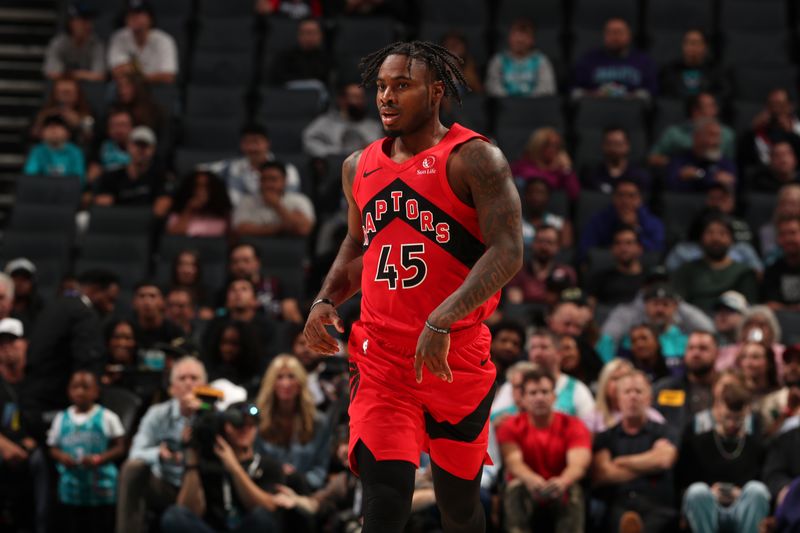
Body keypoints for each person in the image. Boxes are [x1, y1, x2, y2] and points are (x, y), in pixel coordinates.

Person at [303, 41, 523, 532]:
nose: (386, 97)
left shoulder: (475, 158)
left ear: (436, 92)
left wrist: (443, 318)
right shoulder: (357, 166)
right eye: (381, 86)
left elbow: (508, 251)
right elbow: (356, 247)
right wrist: (324, 300)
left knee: (458, 508)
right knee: (384, 500)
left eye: (402, 86)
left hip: (454, 356)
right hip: (381, 357)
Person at [115, 356, 207, 533]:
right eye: (182, 378)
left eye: (194, 378)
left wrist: (202, 415)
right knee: (133, 468)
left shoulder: (213, 414)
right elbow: (135, 452)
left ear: (205, 385)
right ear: (172, 388)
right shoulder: (158, 413)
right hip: (165, 482)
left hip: (201, 482)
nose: (189, 383)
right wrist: (159, 453)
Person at [160, 402, 281, 533]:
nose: (245, 428)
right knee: (174, 515)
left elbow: (269, 509)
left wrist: (234, 468)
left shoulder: (269, 465)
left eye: (251, 424)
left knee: (262, 517)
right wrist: (191, 462)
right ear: (225, 427)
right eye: (238, 424)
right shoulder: (207, 463)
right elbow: (188, 510)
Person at [497, 366, 591, 533]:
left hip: (560, 486)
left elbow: (578, 465)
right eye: (533, 393)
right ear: (523, 399)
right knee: (515, 487)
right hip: (527, 486)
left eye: (545, 392)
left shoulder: (574, 425)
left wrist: (563, 481)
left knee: (573, 490)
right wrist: (531, 479)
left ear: (554, 396)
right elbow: (513, 463)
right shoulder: (510, 426)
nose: (540, 397)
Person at [677, 381, 770, 533]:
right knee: (697, 491)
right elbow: (683, 483)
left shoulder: (756, 446)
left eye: (738, 419)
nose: (733, 424)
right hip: (708, 508)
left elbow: (763, 483)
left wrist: (740, 494)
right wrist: (710, 492)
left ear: (746, 412)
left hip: (742, 510)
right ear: (718, 409)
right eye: (728, 417)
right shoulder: (697, 443)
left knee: (756, 490)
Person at [592, 371, 678, 533]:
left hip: (657, 506)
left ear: (649, 398)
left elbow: (664, 460)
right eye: (627, 392)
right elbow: (604, 473)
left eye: (638, 391)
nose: (633, 397)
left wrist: (621, 462)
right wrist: (649, 462)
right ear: (618, 400)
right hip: (618, 505)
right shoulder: (605, 437)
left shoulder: (665, 431)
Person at [22, 269, 119, 414]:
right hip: (56, 402)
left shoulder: (56, 305)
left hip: (32, 395)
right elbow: (87, 361)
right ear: (95, 290)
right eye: (109, 299)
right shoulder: (84, 314)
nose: (111, 308)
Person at [47, 370, 126, 533]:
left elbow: (120, 447)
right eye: (75, 387)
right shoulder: (61, 418)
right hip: (71, 487)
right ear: (68, 391)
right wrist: (62, 457)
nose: (80, 392)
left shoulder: (107, 417)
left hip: (101, 486)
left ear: (96, 392)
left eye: (85, 387)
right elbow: (52, 448)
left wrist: (99, 458)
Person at [254, 355, 332, 491]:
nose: (286, 383)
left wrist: (298, 480)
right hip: (266, 492)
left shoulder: (318, 422)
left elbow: (320, 471)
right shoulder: (258, 420)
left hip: (306, 492)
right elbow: (253, 462)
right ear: (271, 383)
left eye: (291, 377)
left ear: (300, 383)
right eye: (279, 377)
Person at [672, 213, 758, 313]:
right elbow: (678, 304)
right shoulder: (686, 270)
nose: (716, 238)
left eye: (722, 233)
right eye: (709, 233)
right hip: (694, 323)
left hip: (732, 322)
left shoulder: (744, 272)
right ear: (700, 238)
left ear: (731, 240)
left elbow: (749, 307)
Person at [203, 123, 301, 206]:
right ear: (241, 145)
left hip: (276, 217)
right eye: (247, 142)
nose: (252, 148)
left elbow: (290, 202)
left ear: (267, 143)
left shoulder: (287, 170)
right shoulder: (232, 166)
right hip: (241, 220)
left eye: (256, 142)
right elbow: (200, 170)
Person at [577, 178, 664, 263]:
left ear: (639, 200)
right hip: (607, 268)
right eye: (621, 195)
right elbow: (585, 251)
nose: (625, 201)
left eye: (631, 196)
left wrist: (635, 227)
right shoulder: (599, 220)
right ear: (614, 198)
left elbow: (657, 252)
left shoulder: (653, 223)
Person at [93, 125, 172, 216]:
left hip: (146, 225)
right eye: (137, 144)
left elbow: (161, 208)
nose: (141, 150)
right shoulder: (112, 176)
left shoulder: (160, 177)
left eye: (145, 146)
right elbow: (102, 202)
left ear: (153, 149)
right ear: (128, 146)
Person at [571, 18, 657, 100]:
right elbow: (575, 91)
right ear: (604, 36)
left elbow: (650, 93)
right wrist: (594, 95)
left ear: (629, 35)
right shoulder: (588, 60)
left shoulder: (643, 61)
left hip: (631, 108)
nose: (615, 37)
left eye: (619, 32)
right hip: (596, 107)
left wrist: (629, 96)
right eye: (611, 32)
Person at [219, 243, 302, 323]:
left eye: (246, 260)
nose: (240, 266)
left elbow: (293, 316)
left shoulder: (276, 284)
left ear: (257, 262)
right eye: (235, 262)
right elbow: (214, 315)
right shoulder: (225, 290)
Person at [653, 331, 718, 433]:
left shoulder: (724, 389)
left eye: (703, 348)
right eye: (691, 348)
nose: (696, 353)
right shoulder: (665, 388)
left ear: (716, 353)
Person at [649, 92, 736, 167]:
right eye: (710, 106)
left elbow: (730, 162)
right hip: (682, 177)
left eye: (714, 106)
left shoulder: (727, 134)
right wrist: (677, 163)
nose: (715, 111)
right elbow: (652, 158)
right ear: (695, 111)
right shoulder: (674, 133)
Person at [232, 161, 315, 238]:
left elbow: (304, 230)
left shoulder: (300, 200)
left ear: (284, 181)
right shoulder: (247, 201)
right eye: (264, 179)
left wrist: (277, 206)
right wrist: (281, 228)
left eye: (273, 179)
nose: (268, 184)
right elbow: (241, 230)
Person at [582, 359, 665, 434]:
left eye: (624, 377)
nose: (619, 383)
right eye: (615, 378)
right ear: (604, 384)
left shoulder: (651, 416)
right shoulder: (593, 418)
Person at [302, 82, 383, 158]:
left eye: (362, 97)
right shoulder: (325, 123)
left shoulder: (374, 126)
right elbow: (309, 142)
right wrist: (339, 153)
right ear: (342, 100)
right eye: (355, 97)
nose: (360, 102)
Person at [107, 0, 178, 84]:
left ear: (150, 18)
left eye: (139, 13)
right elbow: (116, 71)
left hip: (157, 90)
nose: (134, 17)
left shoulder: (164, 40)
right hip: (127, 89)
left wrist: (133, 72)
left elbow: (168, 76)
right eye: (130, 13)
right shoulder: (119, 37)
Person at [504, 225, 576, 306]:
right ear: (533, 244)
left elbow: (570, 303)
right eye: (540, 241)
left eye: (549, 242)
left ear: (557, 247)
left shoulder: (567, 273)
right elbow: (515, 304)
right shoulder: (518, 272)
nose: (544, 247)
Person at [485, 18, 556, 98]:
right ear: (509, 37)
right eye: (516, 35)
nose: (520, 40)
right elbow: (492, 86)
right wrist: (509, 101)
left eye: (525, 36)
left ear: (532, 40)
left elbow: (547, 88)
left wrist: (526, 102)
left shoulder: (541, 60)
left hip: (534, 107)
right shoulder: (498, 60)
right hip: (504, 106)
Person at [665, 118, 737, 193]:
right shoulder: (679, 160)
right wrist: (714, 179)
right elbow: (671, 185)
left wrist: (697, 175)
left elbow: (732, 188)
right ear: (696, 137)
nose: (717, 142)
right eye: (712, 135)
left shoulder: (725, 163)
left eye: (718, 136)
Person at [658, 29, 732, 101]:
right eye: (687, 42)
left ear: (705, 47)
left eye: (695, 43)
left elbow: (724, 94)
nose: (691, 47)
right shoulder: (670, 70)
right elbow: (665, 96)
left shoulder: (717, 71)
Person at [511, 128, 581, 200]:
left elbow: (574, 194)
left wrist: (567, 168)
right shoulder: (523, 165)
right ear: (537, 145)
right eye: (548, 145)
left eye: (556, 146)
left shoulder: (561, 171)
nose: (552, 149)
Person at [43, 3, 105, 81]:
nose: (89, 25)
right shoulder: (59, 43)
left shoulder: (96, 43)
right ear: (71, 23)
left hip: (89, 89)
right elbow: (52, 73)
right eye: (83, 21)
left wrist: (69, 74)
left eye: (89, 21)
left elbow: (99, 76)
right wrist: (83, 75)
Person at [587, 225, 646, 306]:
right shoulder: (599, 279)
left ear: (639, 248)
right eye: (618, 243)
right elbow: (589, 309)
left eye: (629, 243)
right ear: (612, 249)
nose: (623, 248)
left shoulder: (650, 279)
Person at [583, 126, 650, 193]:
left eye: (618, 144)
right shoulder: (592, 175)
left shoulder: (639, 177)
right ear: (603, 146)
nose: (613, 149)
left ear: (627, 146)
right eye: (609, 144)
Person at [31, 76, 95, 146]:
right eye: (61, 92)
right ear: (54, 94)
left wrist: (79, 124)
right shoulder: (45, 112)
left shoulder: (87, 112)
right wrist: (41, 121)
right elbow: (32, 136)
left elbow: (93, 140)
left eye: (68, 92)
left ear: (77, 94)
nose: (65, 96)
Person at [269, 16, 331, 87]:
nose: (310, 37)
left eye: (314, 33)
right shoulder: (285, 57)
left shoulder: (326, 58)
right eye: (307, 33)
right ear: (299, 35)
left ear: (320, 36)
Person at [23, 114, 86, 183]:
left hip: (68, 191)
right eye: (49, 126)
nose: (53, 130)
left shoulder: (75, 152)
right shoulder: (37, 151)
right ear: (42, 133)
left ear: (68, 133)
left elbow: (79, 180)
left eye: (58, 126)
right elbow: (30, 176)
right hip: (43, 191)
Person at [166, 171, 231, 237]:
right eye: (197, 186)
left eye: (206, 186)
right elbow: (174, 237)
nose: (201, 191)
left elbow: (230, 239)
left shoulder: (223, 214)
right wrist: (189, 209)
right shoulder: (178, 212)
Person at [519, 178, 573, 248]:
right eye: (531, 192)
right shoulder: (515, 223)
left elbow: (566, 253)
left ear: (548, 197)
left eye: (540, 192)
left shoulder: (562, 224)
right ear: (525, 196)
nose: (535, 197)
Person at [87, 107, 134, 182]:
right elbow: (91, 177)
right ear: (108, 129)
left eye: (123, 125)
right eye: (115, 125)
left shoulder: (140, 146)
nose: (119, 130)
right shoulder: (101, 147)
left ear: (131, 127)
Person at [763, 214, 800, 311]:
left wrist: (784, 308)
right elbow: (771, 306)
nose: (788, 238)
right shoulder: (772, 271)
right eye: (782, 234)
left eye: (792, 233)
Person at [5, 258, 45, 328]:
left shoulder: (42, 311)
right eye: (16, 279)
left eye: (25, 279)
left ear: (32, 283)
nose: (20, 283)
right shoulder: (3, 311)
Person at [489, 320, 525, 387]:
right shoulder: (477, 372)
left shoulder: (522, 378)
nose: (509, 347)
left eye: (515, 344)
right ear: (491, 343)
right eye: (503, 340)